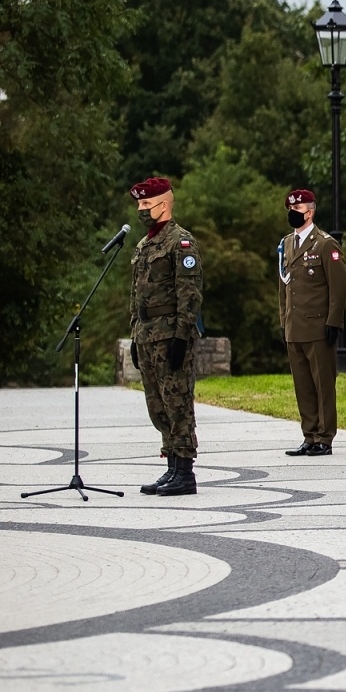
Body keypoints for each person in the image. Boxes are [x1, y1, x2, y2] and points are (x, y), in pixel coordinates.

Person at [129, 177, 204, 497]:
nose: (141, 210)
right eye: (139, 205)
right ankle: (171, 464)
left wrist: (182, 335)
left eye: (146, 204)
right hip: (147, 333)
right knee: (157, 404)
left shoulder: (181, 242)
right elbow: (136, 294)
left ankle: (185, 471)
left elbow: (190, 293)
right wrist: (134, 332)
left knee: (177, 402)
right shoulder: (144, 245)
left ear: (164, 204)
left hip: (171, 333)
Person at [276, 188, 346, 457]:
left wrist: (334, 322)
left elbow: (338, 286)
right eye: (291, 209)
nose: (293, 213)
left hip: (318, 326)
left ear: (311, 211)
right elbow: (284, 286)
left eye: (298, 209)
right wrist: (283, 320)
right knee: (303, 385)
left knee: (322, 384)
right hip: (295, 326)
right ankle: (309, 434)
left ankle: (324, 436)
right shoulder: (287, 243)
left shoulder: (324, 243)